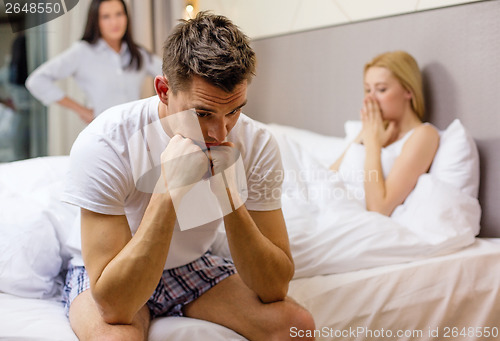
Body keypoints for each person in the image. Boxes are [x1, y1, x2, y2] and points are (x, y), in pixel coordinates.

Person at [61, 11, 316, 341]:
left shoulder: (258, 143)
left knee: (297, 326)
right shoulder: (106, 142)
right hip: (113, 270)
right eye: (203, 113)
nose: (220, 132)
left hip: (189, 266)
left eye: (234, 110)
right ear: (164, 90)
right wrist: (169, 189)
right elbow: (116, 307)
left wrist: (230, 195)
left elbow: (274, 287)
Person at [330, 50, 439, 216]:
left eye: (381, 90)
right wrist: (365, 134)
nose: (370, 99)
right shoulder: (372, 130)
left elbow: (379, 207)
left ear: (408, 91)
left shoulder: (424, 135)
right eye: (367, 90)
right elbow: (328, 176)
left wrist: (373, 144)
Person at [25, 0, 161, 123]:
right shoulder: (82, 52)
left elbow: (171, 73)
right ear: (95, 20)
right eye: (106, 16)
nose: (115, 22)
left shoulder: (138, 53)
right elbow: (36, 81)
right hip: (102, 133)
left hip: (136, 133)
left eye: (119, 14)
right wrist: (81, 110)